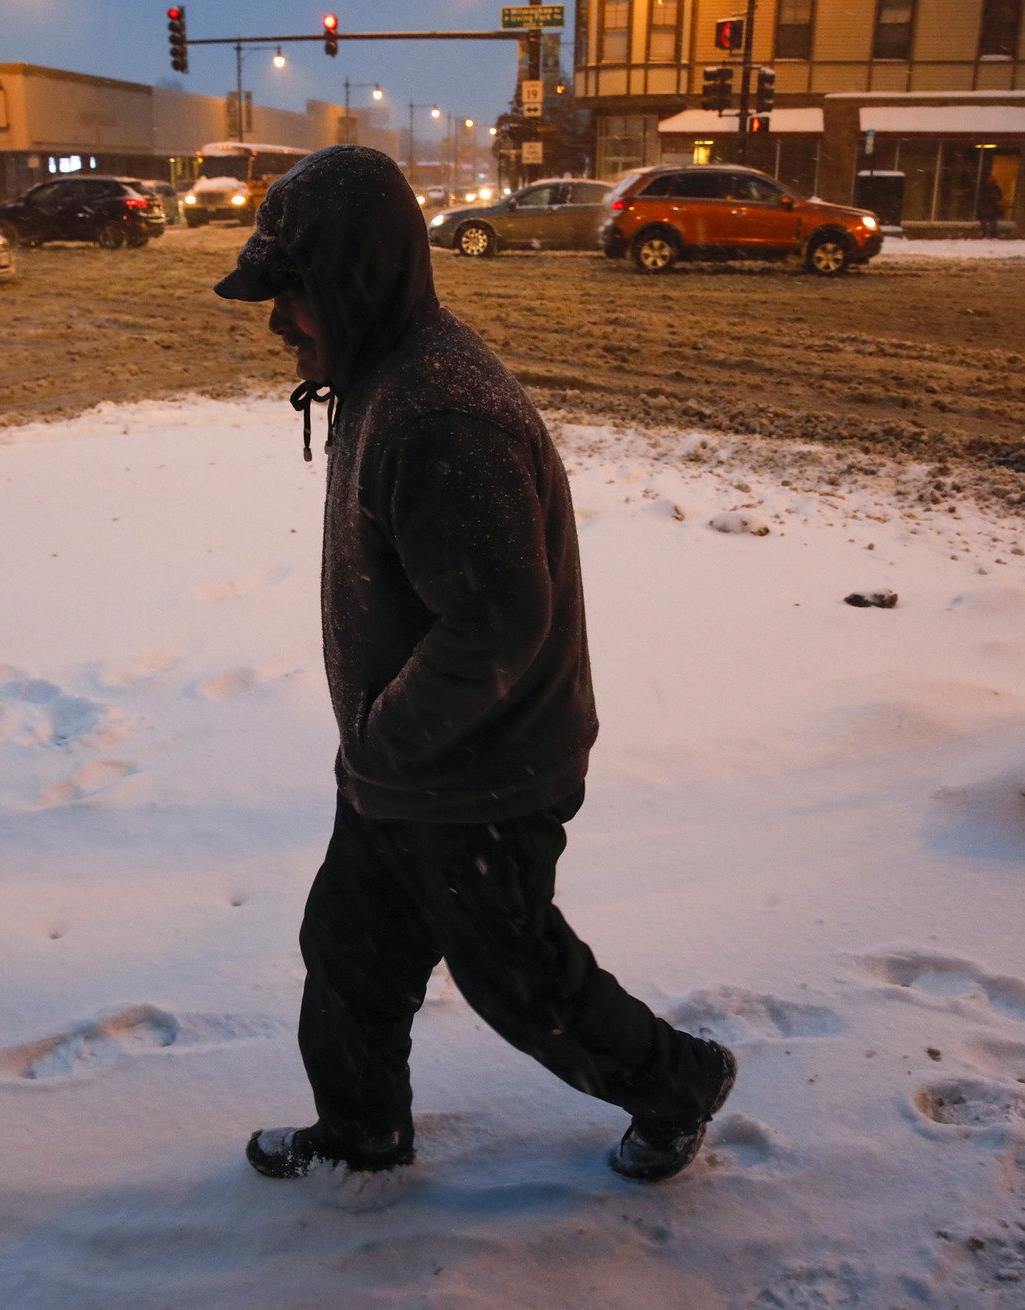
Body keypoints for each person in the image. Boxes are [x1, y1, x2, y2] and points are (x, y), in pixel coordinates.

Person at [211, 145, 736, 1186]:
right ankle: (361, 1132)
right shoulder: (379, 375)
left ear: (349, 287)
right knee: (351, 953)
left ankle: (676, 1085)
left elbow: (496, 623)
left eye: (292, 295)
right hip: (405, 764)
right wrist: (379, 751)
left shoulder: (439, 416)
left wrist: (387, 736)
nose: (276, 322)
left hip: (478, 772)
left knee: (522, 982)